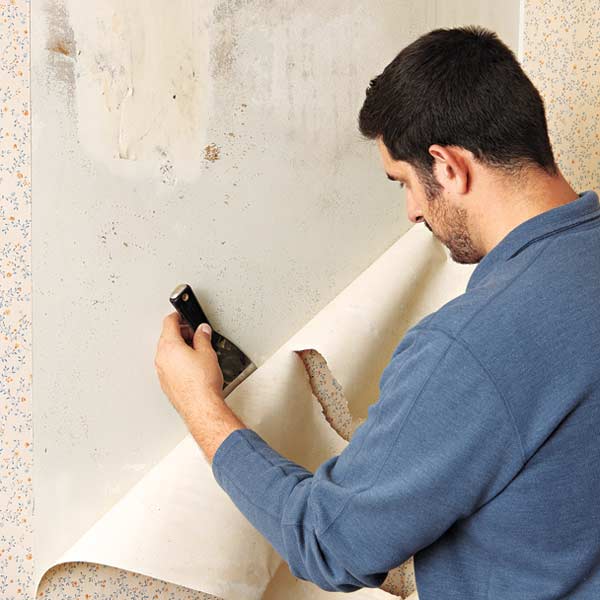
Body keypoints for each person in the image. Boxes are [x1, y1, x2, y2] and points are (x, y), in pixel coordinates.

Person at [154, 26, 600, 599]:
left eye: (403, 183)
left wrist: (198, 404)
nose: (412, 211)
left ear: (448, 166)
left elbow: (328, 542)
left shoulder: (471, 349)